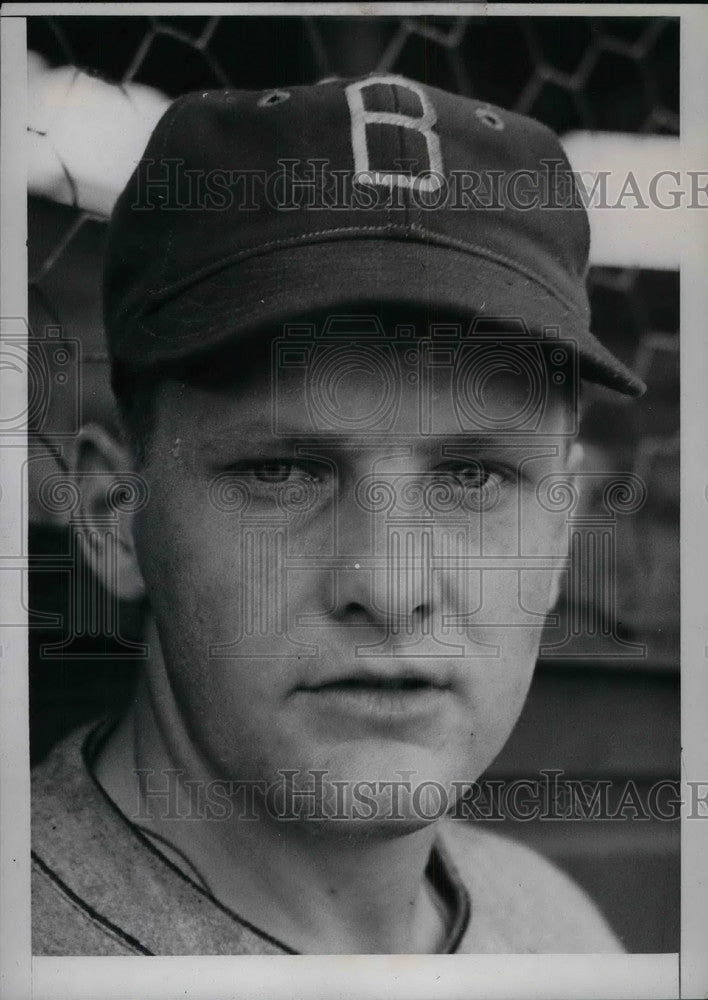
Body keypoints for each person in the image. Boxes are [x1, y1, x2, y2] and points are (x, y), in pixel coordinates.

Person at [31, 73, 645, 955]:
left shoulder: (561, 934)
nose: (391, 588)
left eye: (474, 477)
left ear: (560, 534)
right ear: (115, 515)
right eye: (282, 470)